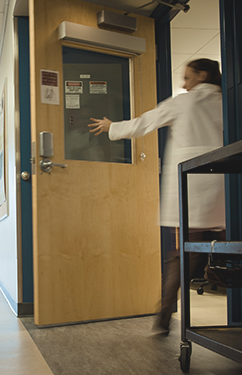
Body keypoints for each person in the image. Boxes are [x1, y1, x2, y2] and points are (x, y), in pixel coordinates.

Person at [88, 59, 225, 333]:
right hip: (226, 187)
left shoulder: (183, 103)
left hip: (192, 189)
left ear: (203, 75)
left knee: (184, 253)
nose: (183, 84)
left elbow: (144, 123)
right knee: (229, 246)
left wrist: (111, 126)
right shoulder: (230, 100)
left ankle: (164, 312)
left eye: (187, 77)